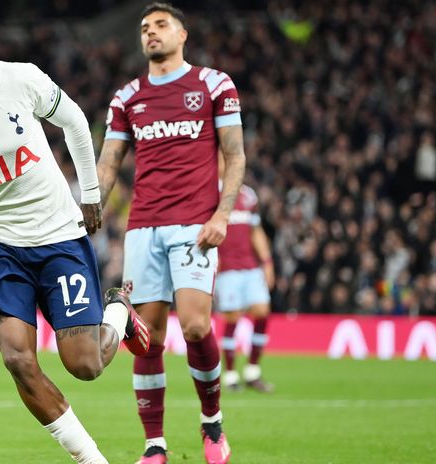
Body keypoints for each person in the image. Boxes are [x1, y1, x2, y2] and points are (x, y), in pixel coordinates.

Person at [0, 2, 149, 463]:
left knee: (85, 365)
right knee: (17, 358)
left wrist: (90, 195)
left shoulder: (21, 79)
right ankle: (92, 459)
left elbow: (74, 121)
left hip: (57, 235)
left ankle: (118, 312)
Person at [97, 3, 246, 463]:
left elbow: (235, 155)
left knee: (196, 325)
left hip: (195, 224)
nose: (151, 32)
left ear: (182, 34)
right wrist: (88, 209)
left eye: (161, 25)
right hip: (143, 227)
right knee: (148, 339)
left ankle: (212, 421)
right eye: (145, 27)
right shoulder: (127, 97)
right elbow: (108, 164)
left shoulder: (213, 85)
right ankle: (154, 445)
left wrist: (222, 216)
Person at [215, 181, 275, 393]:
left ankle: (252, 371)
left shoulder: (248, 195)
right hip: (227, 269)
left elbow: (256, 231)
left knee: (262, 311)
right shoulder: (212, 193)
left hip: (251, 267)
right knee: (232, 318)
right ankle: (230, 374)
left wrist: (267, 262)